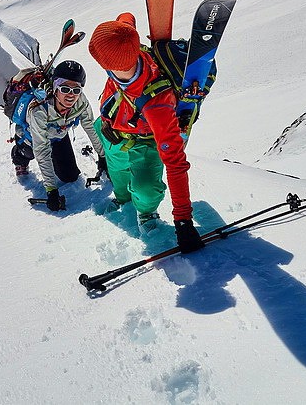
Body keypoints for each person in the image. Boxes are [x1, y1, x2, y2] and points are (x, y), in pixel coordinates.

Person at [87, 13, 205, 253]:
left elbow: (175, 163)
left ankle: (146, 213)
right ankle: (122, 198)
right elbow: (126, 22)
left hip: (145, 140)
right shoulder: (128, 46)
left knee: (145, 189)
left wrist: (183, 220)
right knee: (118, 171)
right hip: (112, 130)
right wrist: (122, 24)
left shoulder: (157, 105)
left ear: (106, 63)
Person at [12, 60, 107, 211]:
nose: (71, 95)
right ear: (55, 87)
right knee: (28, 152)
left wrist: (102, 157)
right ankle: (18, 156)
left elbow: (89, 125)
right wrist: (51, 190)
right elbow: (42, 150)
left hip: (57, 135)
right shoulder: (39, 109)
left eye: (76, 90)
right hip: (32, 137)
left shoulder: (80, 101)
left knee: (70, 176)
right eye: (65, 89)